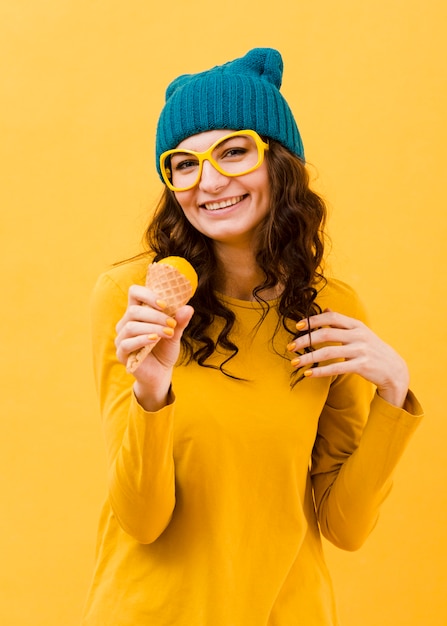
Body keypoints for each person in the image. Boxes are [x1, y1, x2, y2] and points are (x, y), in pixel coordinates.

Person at [81, 48, 423, 625]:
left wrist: (393, 391)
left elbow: (345, 526)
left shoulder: (331, 311)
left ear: (280, 162)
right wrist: (151, 391)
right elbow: (142, 520)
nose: (209, 182)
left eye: (234, 152)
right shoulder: (134, 299)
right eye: (183, 164)